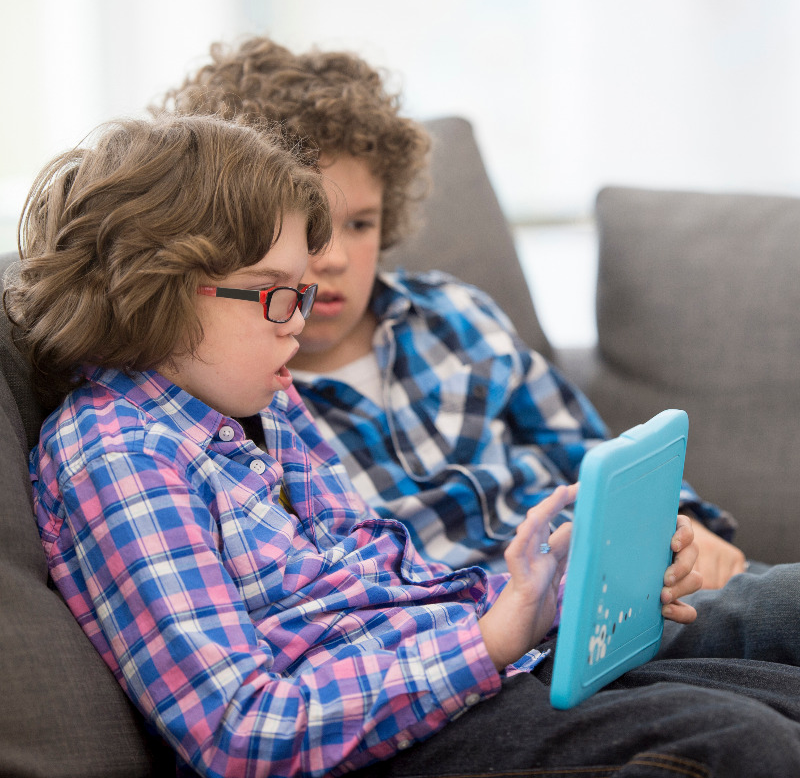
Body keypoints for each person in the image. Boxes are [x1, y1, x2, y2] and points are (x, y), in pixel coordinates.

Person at [10, 111, 800, 778]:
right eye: (279, 294)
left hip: (450, 679)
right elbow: (240, 732)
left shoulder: (259, 401)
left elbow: (383, 582)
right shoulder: (119, 457)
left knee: (773, 687)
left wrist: (551, 602)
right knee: (740, 742)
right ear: (159, 288)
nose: (301, 319)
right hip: (382, 745)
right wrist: (490, 643)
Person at [163, 37, 746, 588]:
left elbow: (587, 453)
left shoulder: (455, 313)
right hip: (481, 633)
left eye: (360, 224)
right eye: (309, 230)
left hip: (607, 580)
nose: (335, 257)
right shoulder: (240, 392)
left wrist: (677, 522)